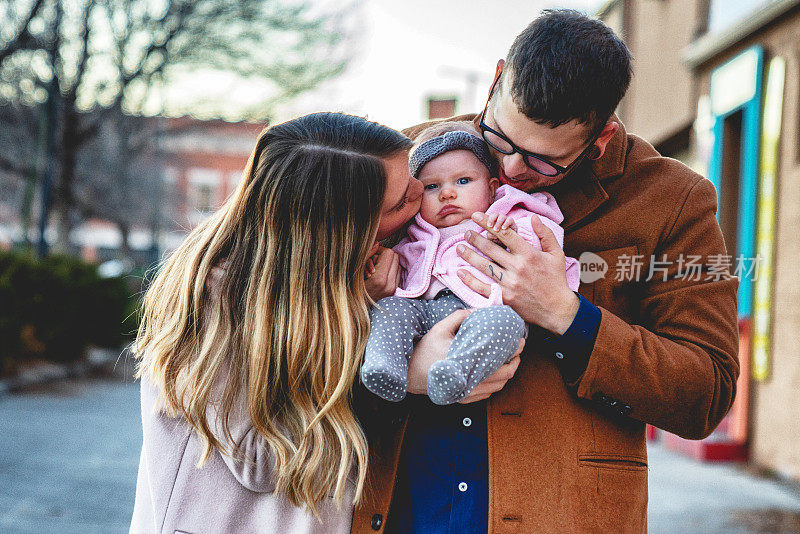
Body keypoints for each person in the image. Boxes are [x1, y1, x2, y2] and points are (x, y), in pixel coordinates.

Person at [349, 10, 739, 534]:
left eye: (543, 162)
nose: (509, 170)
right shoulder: (412, 158)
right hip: (399, 509)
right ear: (495, 81)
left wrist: (566, 314)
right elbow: (289, 315)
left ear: (601, 138)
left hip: (561, 515)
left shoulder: (672, 200)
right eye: (499, 139)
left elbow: (705, 394)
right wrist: (375, 322)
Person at [129, 112, 524, 534]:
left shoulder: (345, 273)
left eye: (413, 180)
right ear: (342, 231)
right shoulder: (217, 295)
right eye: (401, 202)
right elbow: (260, 461)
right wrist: (394, 365)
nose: (422, 199)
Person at [361, 122, 579, 405]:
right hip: (424, 310)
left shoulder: (509, 215)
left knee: (507, 323)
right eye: (431, 186)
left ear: (492, 189)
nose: (447, 193)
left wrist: (510, 232)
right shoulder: (417, 234)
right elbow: (398, 270)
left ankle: (455, 374)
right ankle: (385, 367)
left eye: (463, 181)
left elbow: (543, 247)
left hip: (485, 311)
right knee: (390, 309)